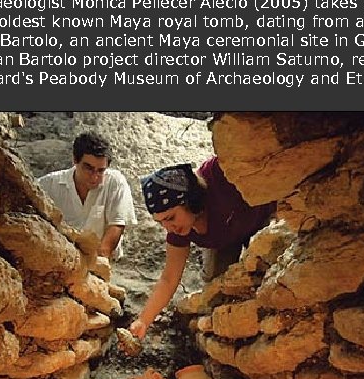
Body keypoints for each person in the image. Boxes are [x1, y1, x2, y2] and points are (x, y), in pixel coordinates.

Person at [129, 155, 276, 339]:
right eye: (160, 223)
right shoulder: (179, 229)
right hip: (224, 239)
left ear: (190, 201)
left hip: (261, 219)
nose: (168, 228)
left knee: (268, 279)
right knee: (217, 289)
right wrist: (143, 321)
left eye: (170, 218)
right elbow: (169, 279)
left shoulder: (219, 176)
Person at [37, 132, 137, 260]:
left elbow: (116, 225)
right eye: (88, 168)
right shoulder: (48, 185)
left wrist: (99, 262)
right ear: (75, 160)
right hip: (59, 259)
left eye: (101, 170)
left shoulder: (115, 182)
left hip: (100, 259)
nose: (95, 177)